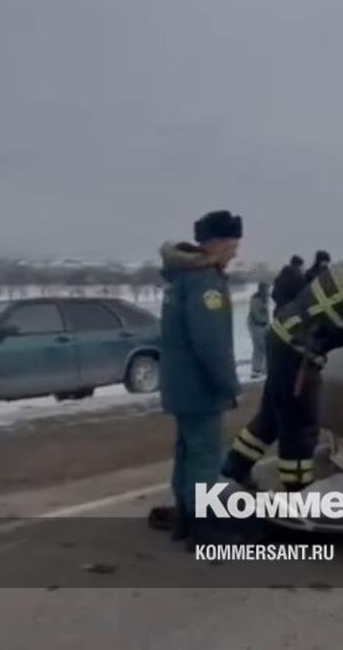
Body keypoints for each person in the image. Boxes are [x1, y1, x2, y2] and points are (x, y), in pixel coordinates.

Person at [222, 246, 343, 492]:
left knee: (271, 417)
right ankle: (298, 488)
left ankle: (233, 469)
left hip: (283, 341)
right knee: (301, 425)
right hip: (299, 356)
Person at [149, 210, 243, 546]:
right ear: (217, 243)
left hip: (180, 383)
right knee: (206, 457)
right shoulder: (205, 282)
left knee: (188, 452)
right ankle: (204, 530)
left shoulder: (181, 278)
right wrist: (228, 385)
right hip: (200, 386)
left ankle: (185, 520)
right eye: (233, 244)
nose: (235, 252)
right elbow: (211, 343)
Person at [247, 282, 271, 377]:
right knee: (261, 347)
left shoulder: (265, 299)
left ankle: (257, 368)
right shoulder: (255, 300)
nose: (268, 292)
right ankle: (261, 368)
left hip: (263, 326)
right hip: (257, 327)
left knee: (259, 348)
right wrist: (263, 321)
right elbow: (256, 316)